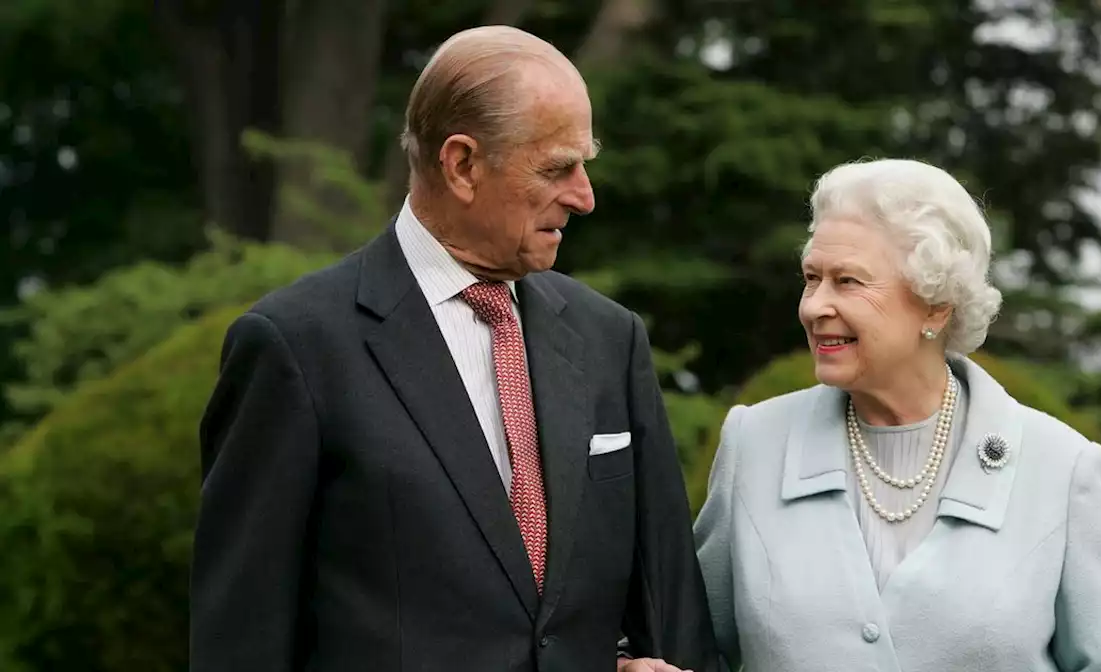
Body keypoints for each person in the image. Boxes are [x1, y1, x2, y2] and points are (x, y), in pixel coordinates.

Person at [191, 26, 719, 672]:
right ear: (462, 164)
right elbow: (241, 642)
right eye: (557, 168)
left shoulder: (610, 339)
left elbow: (671, 613)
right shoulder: (294, 348)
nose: (585, 196)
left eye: (586, 164)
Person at [693, 158, 1101, 671]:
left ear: (936, 306)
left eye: (848, 281)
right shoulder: (754, 444)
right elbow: (691, 647)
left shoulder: (1061, 468)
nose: (814, 306)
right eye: (811, 278)